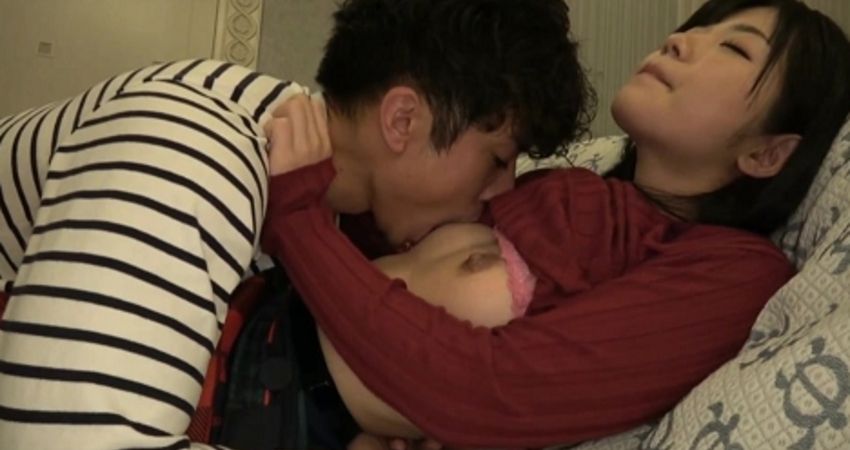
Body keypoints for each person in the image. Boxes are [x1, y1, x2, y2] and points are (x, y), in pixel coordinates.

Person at [0, 0, 591, 448]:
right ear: (402, 120)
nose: (499, 195)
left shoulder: (309, 185)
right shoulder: (199, 152)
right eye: (496, 160)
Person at [261, 0, 850, 448]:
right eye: (696, 27)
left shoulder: (733, 272)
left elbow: (497, 394)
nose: (679, 40)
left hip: (285, 403)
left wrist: (297, 221)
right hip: (267, 317)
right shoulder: (559, 186)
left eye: (734, 49)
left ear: (767, 154)